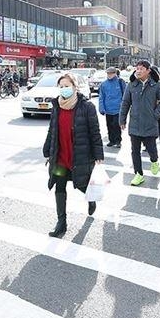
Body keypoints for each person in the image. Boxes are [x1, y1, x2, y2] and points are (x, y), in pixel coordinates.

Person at [42, 73, 104, 238]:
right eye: (61, 86)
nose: (64, 89)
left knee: (82, 185)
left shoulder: (87, 107)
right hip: (60, 158)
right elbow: (52, 130)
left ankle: (91, 199)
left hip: (79, 156)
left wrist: (98, 154)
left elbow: (95, 132)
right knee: (59, 187)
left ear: (75, 87)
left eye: (67, 86)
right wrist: (47, 149)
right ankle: (61, 223)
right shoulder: (57, 106)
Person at [119, 60, 160, 186]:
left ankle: (154, 161)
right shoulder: (132, 84)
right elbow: (125, 103)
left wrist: (155, 114)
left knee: (151, 148)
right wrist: (122, 119)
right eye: (137, 68)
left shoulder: (156, 85)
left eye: (141, 69)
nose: (138, 71)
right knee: (135, 151)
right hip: (135, 123)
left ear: (148, 71)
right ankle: (138, 174)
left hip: (150, 124)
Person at [98, 67, 127, 148]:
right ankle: (111, 140)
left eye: (111, 73)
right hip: (108, 109)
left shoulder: (120, 82)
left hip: (118, 109)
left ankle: (118, 141)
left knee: (116, 125)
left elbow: (126, 95)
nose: (109, 75)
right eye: (108, 73)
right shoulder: (104, 84)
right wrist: (101, 108)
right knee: (109, 125)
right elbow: (101, 97)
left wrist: (124, 107)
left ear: (115, 73)